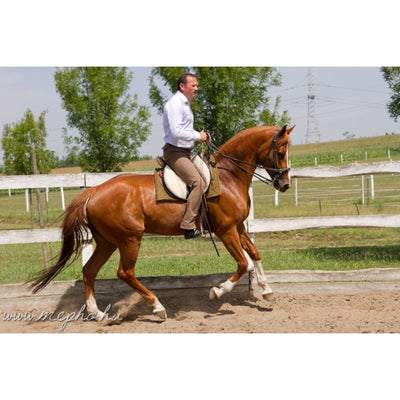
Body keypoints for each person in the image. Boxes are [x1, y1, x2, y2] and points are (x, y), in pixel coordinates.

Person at [162, 73, 209, 239]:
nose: (197, 88)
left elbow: (185, 130)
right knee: (198, 183)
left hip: (185, 151)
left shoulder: (185, 104)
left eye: (196, 85)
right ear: (182, 86)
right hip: (175, 152)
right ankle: (188, 225)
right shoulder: (175, 104)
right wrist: (198, 136)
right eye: (193, 85)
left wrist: (201, 138)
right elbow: (176, 132)